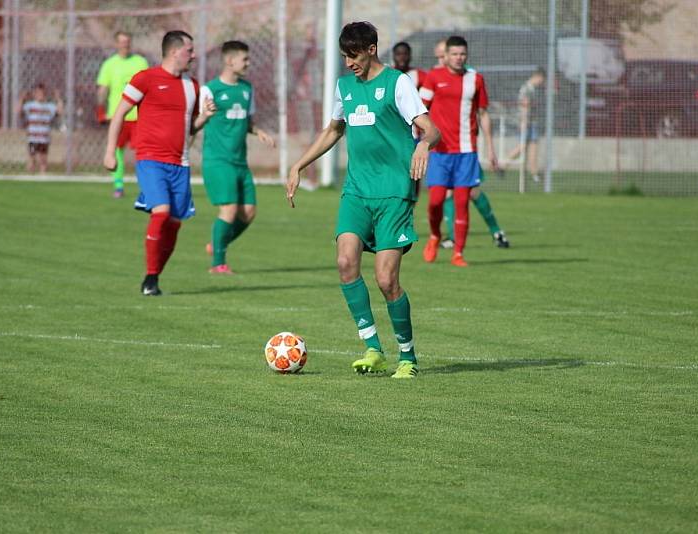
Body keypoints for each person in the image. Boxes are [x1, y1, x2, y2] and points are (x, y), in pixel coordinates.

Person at [286, 21, 440, 379]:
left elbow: (431, 128)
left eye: (353, 55)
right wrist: (299, 164)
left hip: (393, 193)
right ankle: (372, 348)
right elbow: (334, 129)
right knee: (344, 262)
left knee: (387, 281)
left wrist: (422, 144)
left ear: (371, 49)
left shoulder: (398, 83)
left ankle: (408, 357)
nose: (348, 62)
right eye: (343, 56)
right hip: (356, 191)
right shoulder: (345, 87)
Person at [103, 30, 216, 296]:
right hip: (150, 159)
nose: (194, 55)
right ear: (175, 51)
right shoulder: (145, 78)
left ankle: (152, 278)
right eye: (190, 50)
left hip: (181, 164)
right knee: (162, 212)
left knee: (174, 223)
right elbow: (119, 114)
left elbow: (189, 130)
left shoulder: (193, 86)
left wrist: (204, 118)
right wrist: (110, 151)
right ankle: (151, 279)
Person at [419, 35, 500, 267]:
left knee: (462, 202)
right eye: (454, 54)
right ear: (446, 55)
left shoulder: (475, 79)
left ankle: (458, 253)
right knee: (435, 202)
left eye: (462, 54)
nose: (458, 58)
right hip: (440, 151)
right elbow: (419, 109)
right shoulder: (434, 77)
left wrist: (491, 148)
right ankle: (435, 235)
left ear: (466, 55)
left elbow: (483, 114)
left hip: (466, 152)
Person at [199, 40, 275, 274]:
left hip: (240, 161)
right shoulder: (209, 90)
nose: (248, 63)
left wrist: (259, 131)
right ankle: (218, 264)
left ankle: (217, 245)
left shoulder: (246, 89)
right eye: (245, 59)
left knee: (249, 212)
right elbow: (196, 122)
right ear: (230, 61)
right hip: (217, 161)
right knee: (229, 210)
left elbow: (247, 120)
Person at [97, 31, 149, 198]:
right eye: (121, 42)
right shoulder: (109, 64)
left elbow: (149, 86)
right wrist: (100, 109)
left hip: (138, 116)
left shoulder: (140, 62)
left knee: (143, 151)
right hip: (117, 116)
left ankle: (147, 185)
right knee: (116, 150)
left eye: (127, 42)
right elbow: (103, 89)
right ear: (116, 44)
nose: (125, 45)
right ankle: (118, 185)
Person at [505, 67, 545, 182]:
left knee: (533, 147)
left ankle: (534, 172)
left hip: (532, 122)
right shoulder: (527, 88)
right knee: (522, 146)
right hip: (526, 122)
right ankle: (503, 164)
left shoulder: (532, 89)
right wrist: (524, 121)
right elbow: (524, 106)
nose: (541, 82)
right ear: (538, 76)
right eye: (541, 79)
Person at [16, 83, 63, 173]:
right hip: (33, 138)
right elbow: (18, 111)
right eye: (37, 93)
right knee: (31, 158)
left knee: (43, 160)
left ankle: (42, 176)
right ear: (34, 94)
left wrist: (58, 98)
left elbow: (60, 112)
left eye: (42, 93)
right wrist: (21, 99)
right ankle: (30, 176)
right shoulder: (30, 106)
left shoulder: (49, 106)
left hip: (44, 139)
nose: (40, 95)